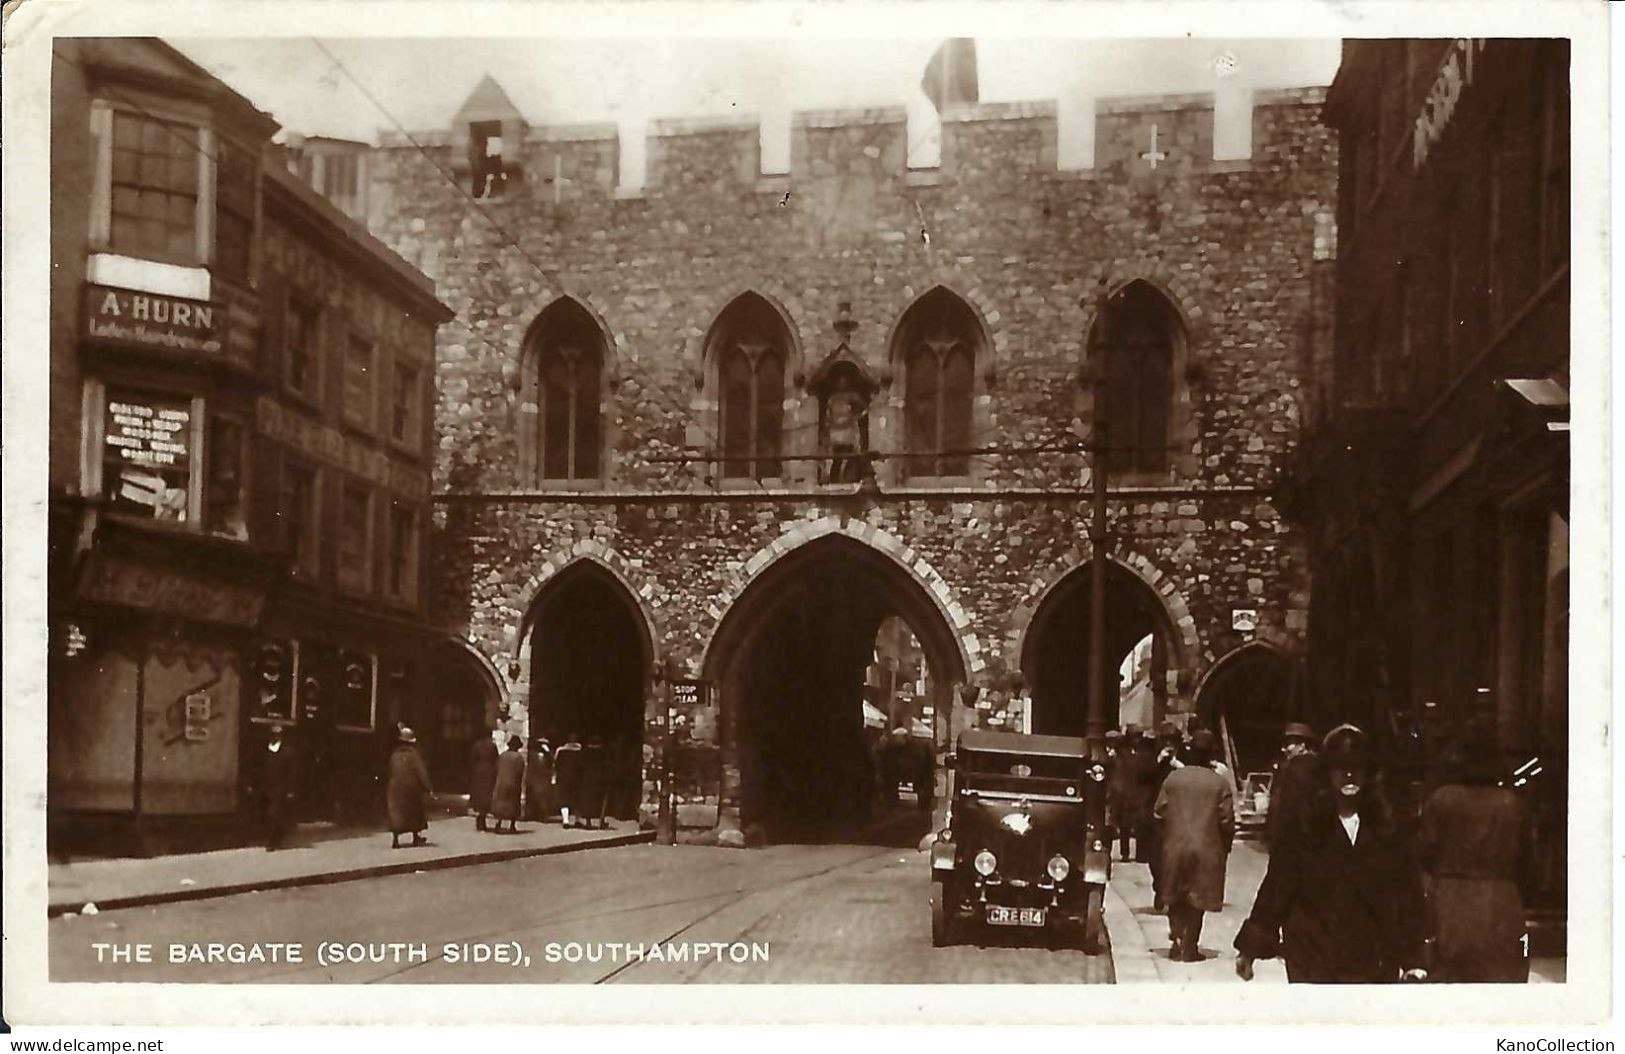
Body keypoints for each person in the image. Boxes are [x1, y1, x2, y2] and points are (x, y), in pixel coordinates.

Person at [1235, 724, 1428, 984]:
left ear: (1368, 773)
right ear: (1327, 773)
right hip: (1315, 957)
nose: (1349, 774)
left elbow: (1408, 893)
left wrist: (1414, 957)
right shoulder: (1305, 826)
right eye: (1340, 767)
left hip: (1373, 958)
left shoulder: (1387, 829)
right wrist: (1250, 948)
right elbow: (1277, 887)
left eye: (1357, 767)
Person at [1418, 730, 1530, 982]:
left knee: (1450, 984)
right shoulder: (1510, 804)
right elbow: (1526, 860)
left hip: (1451, 900)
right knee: (1502, 982)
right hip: (1500, 899)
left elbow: (1426, 852)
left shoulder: (1440, 800)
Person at [1153, 729, 1235, 962]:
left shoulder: (1173, 779)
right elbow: (1227, 820)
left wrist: (1168, 836)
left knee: (1175, 894)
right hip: (1207, 848)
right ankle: (1190, 945)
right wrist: (1224, 845)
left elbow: (1159, 813)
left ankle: (1177, 939)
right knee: (1197, 898)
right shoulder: (1219, 783)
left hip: (1175, 845)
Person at [1143, 723, 1184, 907]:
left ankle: (1168, 891)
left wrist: (1178, 766)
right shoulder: (1152, 758)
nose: (1169, 745)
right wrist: (1159, 760)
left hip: (1178, 816)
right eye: (1166, 741)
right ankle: (1159, 886)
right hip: (1155, 816)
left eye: (1172, 742)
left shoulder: (1184, 759)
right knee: (1155, 857)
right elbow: (1141, 777)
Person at [1266, 722, 1319, 849]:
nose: (1283, 749)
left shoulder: (1303, 767)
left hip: (1296, 834)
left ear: (1302, 745)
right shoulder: (1288, 765)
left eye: (1287, 745)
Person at [386, 727, 434, 849]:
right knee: (415, 812)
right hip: (411, 788)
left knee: (397, 813)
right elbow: (421, 772)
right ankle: (415, 837)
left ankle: (396, 839)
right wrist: (428, 787)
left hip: (395, 788)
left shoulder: (394, 755)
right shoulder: (414, 755)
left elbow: (390, 771)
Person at [262, 723, 296, 852]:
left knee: (274, 814)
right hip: (267, 787)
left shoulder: (287, 751)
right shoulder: (265, 750)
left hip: (280, 788)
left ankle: (272, 842)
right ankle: (277, 837)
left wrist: (290, 790)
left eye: (277, 734)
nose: (275, 736)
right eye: (273, 734)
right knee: (269, 814)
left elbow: (291, 772)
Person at [491, 735, 526, 833]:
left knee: (501, 804)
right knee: (513, 804)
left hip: (501, 782)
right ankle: (512, 826)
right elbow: (520, 771)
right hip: (513, 783)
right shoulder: (518, 757)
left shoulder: (502, 755)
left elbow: (496, 768)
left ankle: (498, 824)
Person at [468, 727, 500, 832]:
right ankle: (482, 821)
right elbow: (496, 759)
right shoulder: (492, 745)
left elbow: (472, 759)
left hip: (478, 773)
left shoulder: (477, 745)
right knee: (486, 797)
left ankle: (480, 822)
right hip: (489, 773)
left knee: (479, 797)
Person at [554, 733, 584, 828]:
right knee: (577, 799)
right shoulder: (580, 751)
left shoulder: (560, 751)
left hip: (563, 778)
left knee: (564, 799)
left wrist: (555, 777)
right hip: (577, 778)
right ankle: (577, 820)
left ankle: (565, 820)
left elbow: (556, 765)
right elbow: (582, 766)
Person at [581, 734, 608, 829]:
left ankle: (588, 822)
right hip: (600, 778)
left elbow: (581, 765)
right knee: (601, 800)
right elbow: (606, 765)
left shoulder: (586, 752)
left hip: (587, 778)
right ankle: (601, 821)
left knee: (588, 800)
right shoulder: (603, 753)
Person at [524, 736, 555, 821]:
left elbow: (551, 762)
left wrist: (547, 751)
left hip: (544, 778)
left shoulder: (548, 755)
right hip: (534, 777)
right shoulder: (532, 754)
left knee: (543, 797)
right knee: (532, 796)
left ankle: (544, 815)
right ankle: (531, 814)